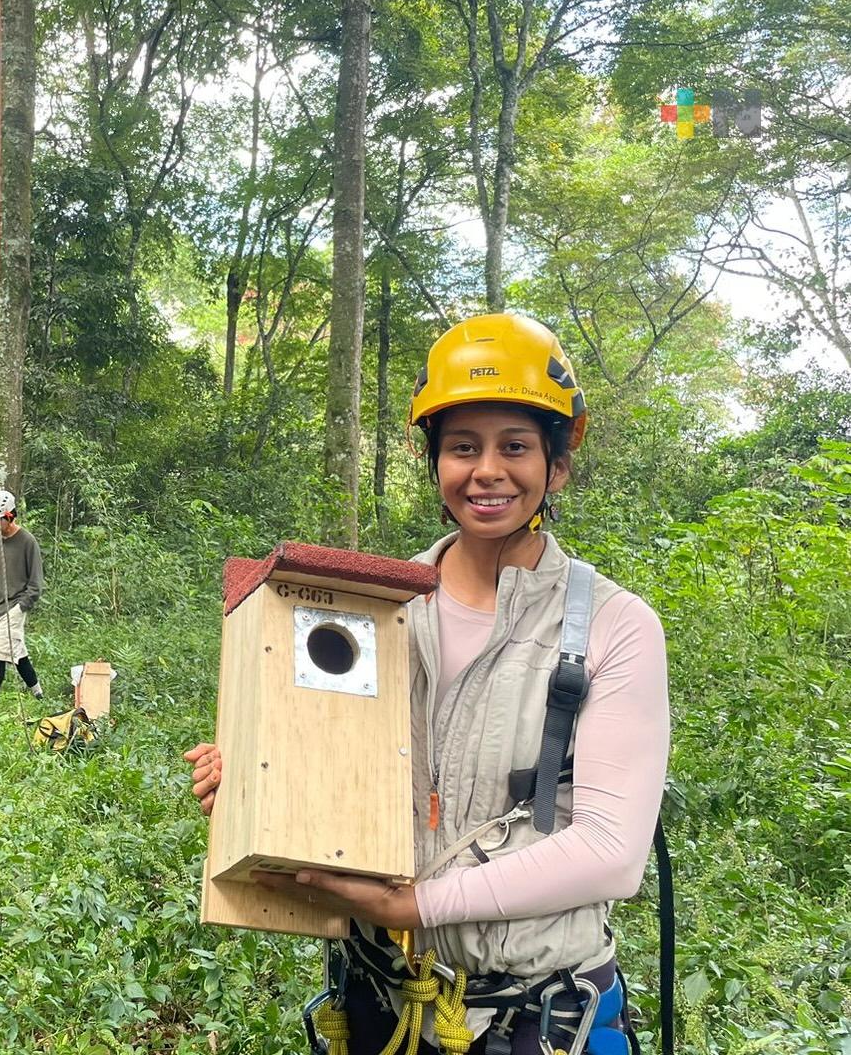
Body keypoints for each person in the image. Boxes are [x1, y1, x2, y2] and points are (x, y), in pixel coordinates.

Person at [184, 314, 670, 1054]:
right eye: (461, 447)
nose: (486, 471)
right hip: (375, 996)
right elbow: (320, 768)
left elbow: (610, 850)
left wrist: (415, 903)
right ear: (433, 460)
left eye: (515, 446)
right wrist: (251, 786)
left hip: (533, 1017)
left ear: (557, 464)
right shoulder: (369, 606)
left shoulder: (613, 625)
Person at [0, 489, 45, 710]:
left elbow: (36, 584)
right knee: (18, 653)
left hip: (16, 606)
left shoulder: (28, 542)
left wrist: (21, 607)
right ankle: (38, 692)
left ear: (10, 516)